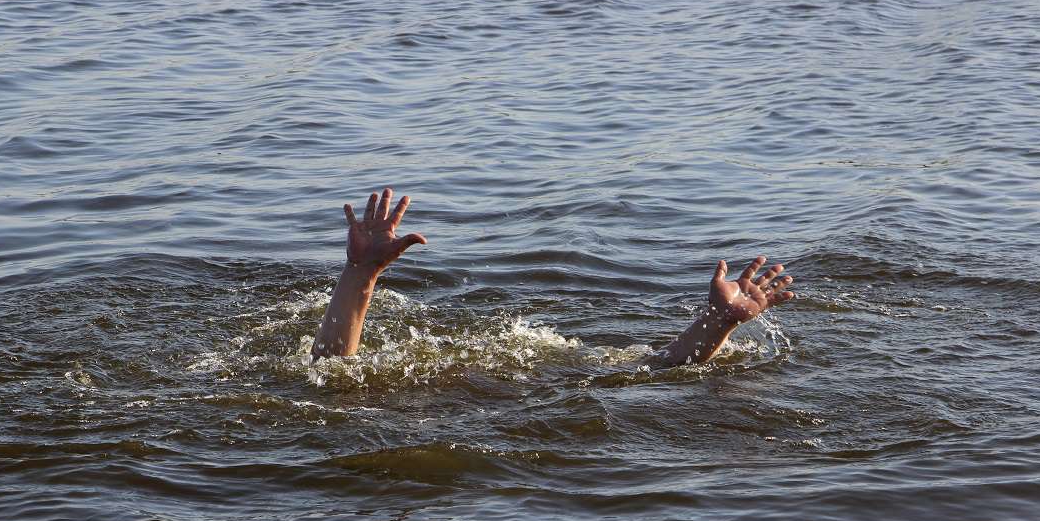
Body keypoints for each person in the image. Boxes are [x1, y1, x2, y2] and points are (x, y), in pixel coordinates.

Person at [311, 187, 795, 366]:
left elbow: (661, 368)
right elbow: (331, 377)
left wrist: (718, 323)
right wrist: (360, 275)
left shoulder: (571, 368)